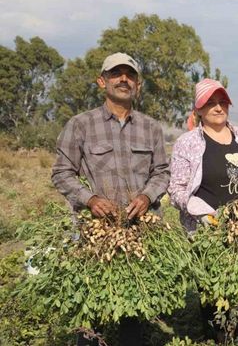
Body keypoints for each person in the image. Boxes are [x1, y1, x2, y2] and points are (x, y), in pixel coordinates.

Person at [51, 52, 170, 346]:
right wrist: (90, 200)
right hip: (95, 236)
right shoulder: (80, 125)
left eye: (130, 75)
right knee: (91, 317)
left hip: (138, 235)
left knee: (132, 316)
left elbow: (162, 173)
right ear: (102, 81)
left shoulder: (151, 128)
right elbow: (61, 173)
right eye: (116, 73)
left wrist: (146, 196)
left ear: (138, 86)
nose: (123, 79)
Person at [167, 78, 238, 339]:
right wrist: (200, 212)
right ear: (199, 110)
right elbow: (176, 188)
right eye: (210, 103)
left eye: (221, 102)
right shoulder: (188, 143)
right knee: (216, 300)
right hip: (209, 235)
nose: (218, 108)